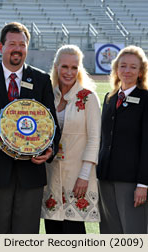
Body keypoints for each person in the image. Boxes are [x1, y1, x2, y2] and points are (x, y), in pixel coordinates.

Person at [0, 22, 61, 234]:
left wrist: (49, 149)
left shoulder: (41, 80)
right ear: (1, 47)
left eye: (22, 44)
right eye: (12, 44)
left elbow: (52, 124)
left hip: (31, 173)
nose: (17, 48)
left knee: (26, 236)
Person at [40, 45, 101, 233]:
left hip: (77, 177)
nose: (69, 72)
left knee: (74, 232)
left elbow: (94, 139)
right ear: (56, 67)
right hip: (51, 176)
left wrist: (84, 176)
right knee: (53, 230)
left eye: (74, 67)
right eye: (64, 66)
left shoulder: (88, 98)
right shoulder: (49, 96)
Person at [97, 45, 148, 234]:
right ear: (116, 69)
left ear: (141, 72)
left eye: (133, 67)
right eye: (123, 66)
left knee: (134, 233)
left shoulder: (145, 99)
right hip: (105, 177)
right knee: (109, 233)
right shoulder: (109, 98)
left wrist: (143, 184)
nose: (127, 71)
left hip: (131, 181)